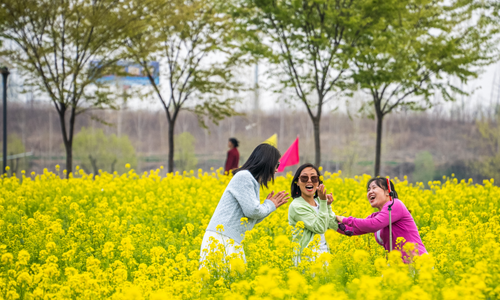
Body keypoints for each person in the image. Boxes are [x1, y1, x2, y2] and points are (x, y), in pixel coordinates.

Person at [201, 143, 290, 263]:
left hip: (231, 239)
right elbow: (252, 211)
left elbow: (252, 218)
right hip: (221, 238)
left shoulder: (252, 181)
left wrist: (270, 206)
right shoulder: (244, 177)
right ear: (268, 162)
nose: (276, 170)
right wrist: (268, 205)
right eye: (276, 165)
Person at [336, 177, 427, 263]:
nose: (370, 192)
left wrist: (344, 219)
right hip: (398, 266)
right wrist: (329, 222)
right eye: (368, 190)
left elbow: (373, 225)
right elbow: (351, 230)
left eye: (374, 188)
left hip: (416, 262)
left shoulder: (395, 204)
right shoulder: (376, 216)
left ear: (388, 192)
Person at [288, 163, 338, 261]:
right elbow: (320, 228)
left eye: (314, 178)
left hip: (325, 256)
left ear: (319, 182)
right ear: (297, 182)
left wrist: (327, 205)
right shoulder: (296, 206)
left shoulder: (319, 201)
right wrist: (324, 202)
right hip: (307, 260)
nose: (309, 181)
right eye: (304, 178)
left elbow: (333, 224)